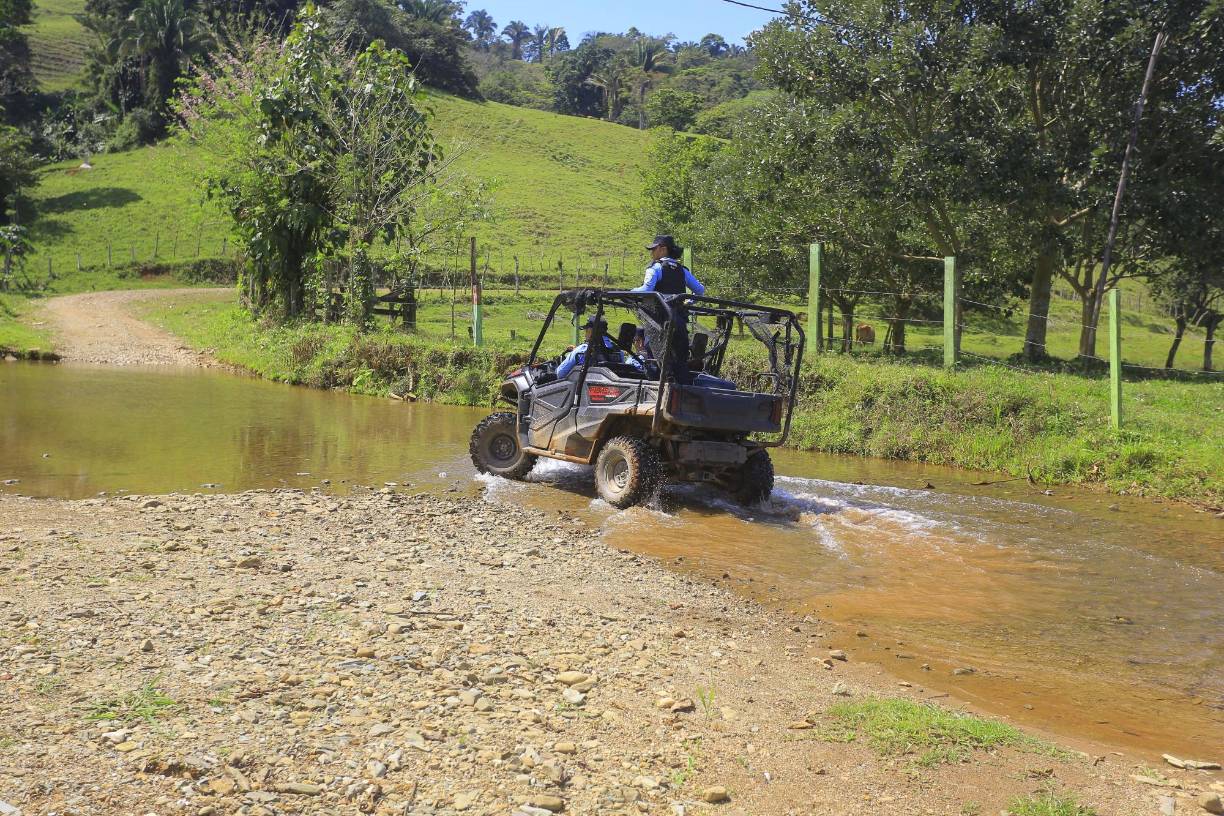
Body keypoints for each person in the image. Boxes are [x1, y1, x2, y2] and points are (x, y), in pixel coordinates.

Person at [632, 235, 705, 295]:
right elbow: (700, 290)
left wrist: (631, 291)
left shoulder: (655, 268)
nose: (651, 252)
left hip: (656, 311)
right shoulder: (683, 270)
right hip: (679, 312)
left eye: (654, 249)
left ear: (663, 249)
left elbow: (647, 289)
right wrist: (689, 302)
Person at [555, 316, 622, 378]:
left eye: (586, 331)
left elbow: (560, 373)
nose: (585, 334)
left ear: (590, 331)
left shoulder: (582, 350)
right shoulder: (618, 351)